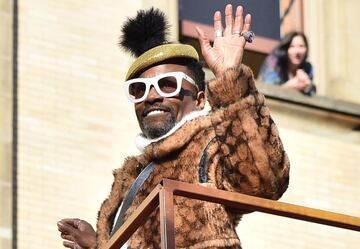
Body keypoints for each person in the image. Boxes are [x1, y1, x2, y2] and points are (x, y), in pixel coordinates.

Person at [58, 4, 290, 249]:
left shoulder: (212, 146)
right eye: (139, 90)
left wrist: (230, 80)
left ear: (200, 99)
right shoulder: (131, 177)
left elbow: (265, 182)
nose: (152, 96)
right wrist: (100, 244)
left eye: (167, 84)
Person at [258, 31, 316, 95]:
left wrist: (308, 85)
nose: (297, 51)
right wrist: (291, 85)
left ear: (306, 49)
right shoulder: (274, 62)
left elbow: (312, 92)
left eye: (301, 46)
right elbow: (267, 91)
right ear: (285, 49)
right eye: (292, 46)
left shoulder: (308, 68)